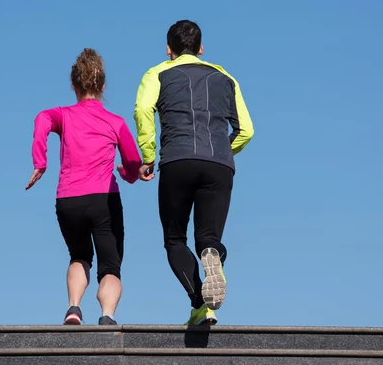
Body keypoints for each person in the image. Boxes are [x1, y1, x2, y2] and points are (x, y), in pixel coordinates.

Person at [133, 20, 254, 325]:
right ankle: (212, 261)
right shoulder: (226, 77)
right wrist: (223, 149)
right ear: (201, 49)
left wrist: (147, 156)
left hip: (177, 160)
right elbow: (246, 130)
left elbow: (143, 110)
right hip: (218, 164)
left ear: (169, 50)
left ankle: (199, 303)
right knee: (208, 238)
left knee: (175, 239)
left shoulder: (157, 73)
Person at [26, 48, 141, 326]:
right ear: (102, 86)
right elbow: (134, 161)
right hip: (104, 200)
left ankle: (73, 308)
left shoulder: (64, 115)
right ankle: (107, 316)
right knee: (110, 266)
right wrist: (129, 174)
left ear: (74, 86)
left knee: (79, 256)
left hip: (69, 200)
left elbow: (42, 118)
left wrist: (40, 161)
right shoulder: (115, 122)